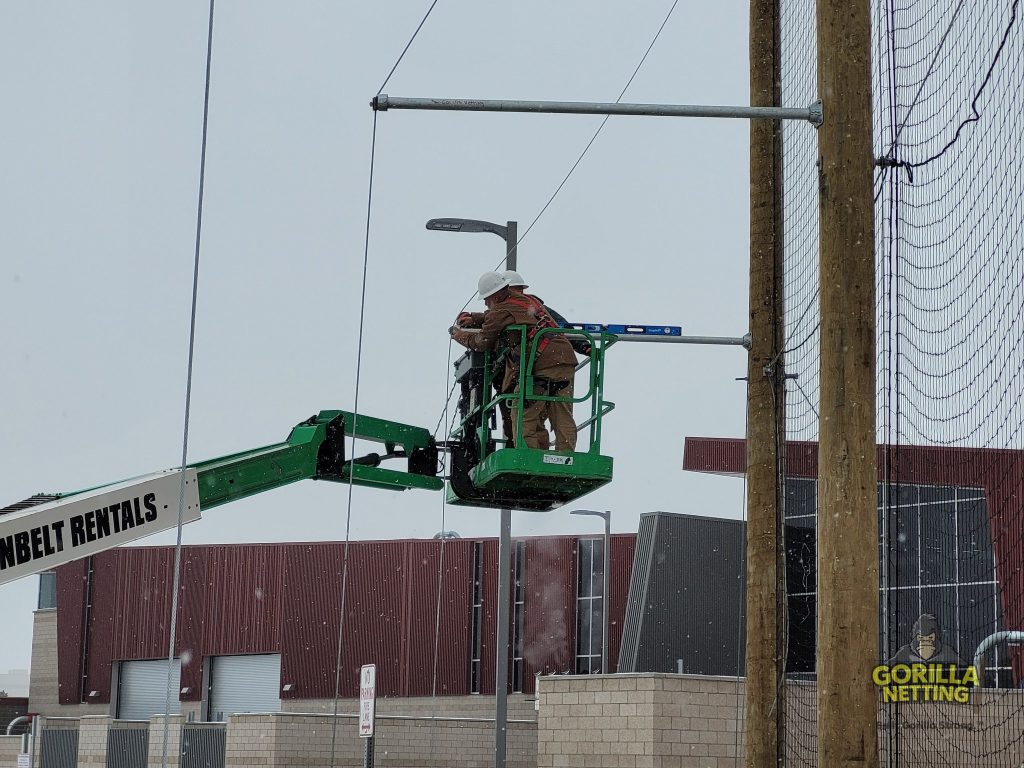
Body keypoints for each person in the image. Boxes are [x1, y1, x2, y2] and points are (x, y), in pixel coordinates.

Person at [451, 272, 577, 452]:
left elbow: (482, 342)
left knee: (521, 412)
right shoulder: (531, 301)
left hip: (541, 362)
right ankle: (566, 458)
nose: (486, 303)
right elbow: (506, 314)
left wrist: (459, 335)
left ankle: (530, 459)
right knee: (561, 412)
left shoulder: (501, 311)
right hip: (564, 358)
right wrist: (475, 317)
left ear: (495, 295)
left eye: (486, 299)